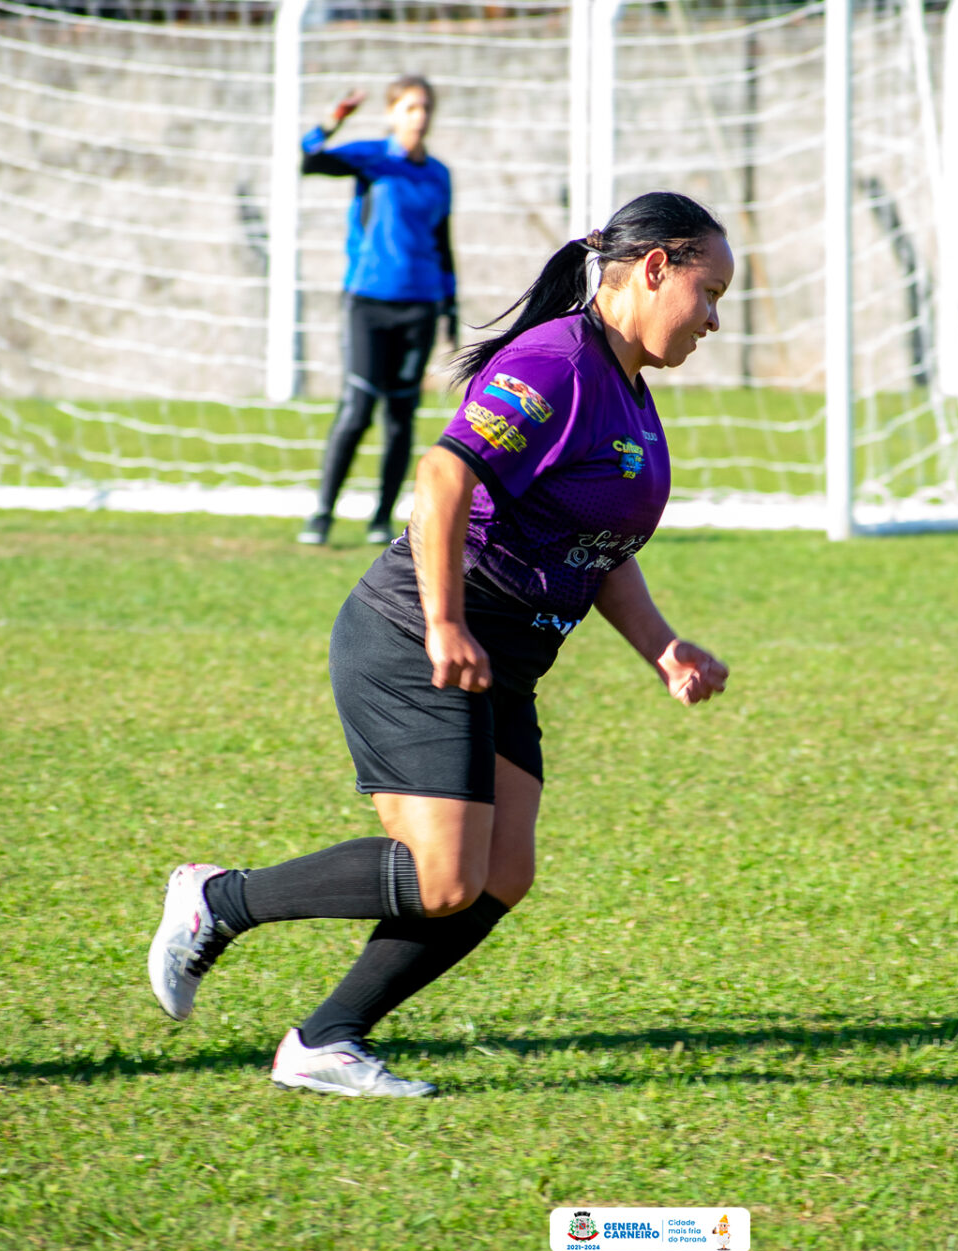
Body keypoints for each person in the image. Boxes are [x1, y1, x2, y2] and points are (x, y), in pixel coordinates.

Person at [148, 192, 734, 1097]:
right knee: (445, 873)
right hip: (417, 639)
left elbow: (601, 549)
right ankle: (215, 900)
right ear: (655, 267)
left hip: (504, 659)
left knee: (500, 873)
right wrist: (445, 620)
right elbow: (443, 471)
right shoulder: (555, 365)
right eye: (708, 291)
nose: (713, 318)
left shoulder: (625, 389)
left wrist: (662, 647)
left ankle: (327, 1040)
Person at [297, 74, 458, 547]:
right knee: (358, 408)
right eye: (410, 108)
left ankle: (380, 519)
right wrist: (332, 121)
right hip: (367, 301)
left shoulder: (439, 173)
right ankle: (322, 514)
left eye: (425, 107)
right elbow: (308, 159)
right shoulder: (372, 158)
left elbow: (443, 244)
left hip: (422, 305)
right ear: (392, 113)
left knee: (401, 416)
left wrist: (450, 306)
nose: (419, 116)